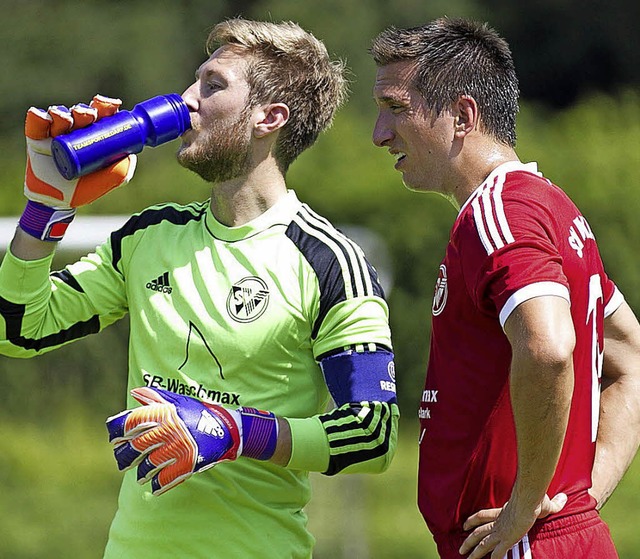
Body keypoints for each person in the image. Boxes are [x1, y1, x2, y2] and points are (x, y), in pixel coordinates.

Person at [0, 19, 399, 559]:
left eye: (212, 86)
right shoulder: (149, 236)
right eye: (193, 82)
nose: (186, 100)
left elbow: (372, 433)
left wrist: (233, 431)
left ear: (269, 117)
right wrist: (45, 210)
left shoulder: (329, 260)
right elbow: (18, 328)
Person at [370, 17, 640, 559]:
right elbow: (629, 351)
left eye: (397, 108)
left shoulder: (500, 212)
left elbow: (547, 346)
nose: (379, 133)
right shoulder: (549, 206)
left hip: (518, 547)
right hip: (550, 538)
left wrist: (528, 504)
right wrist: (574, 499)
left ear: (463, 116)